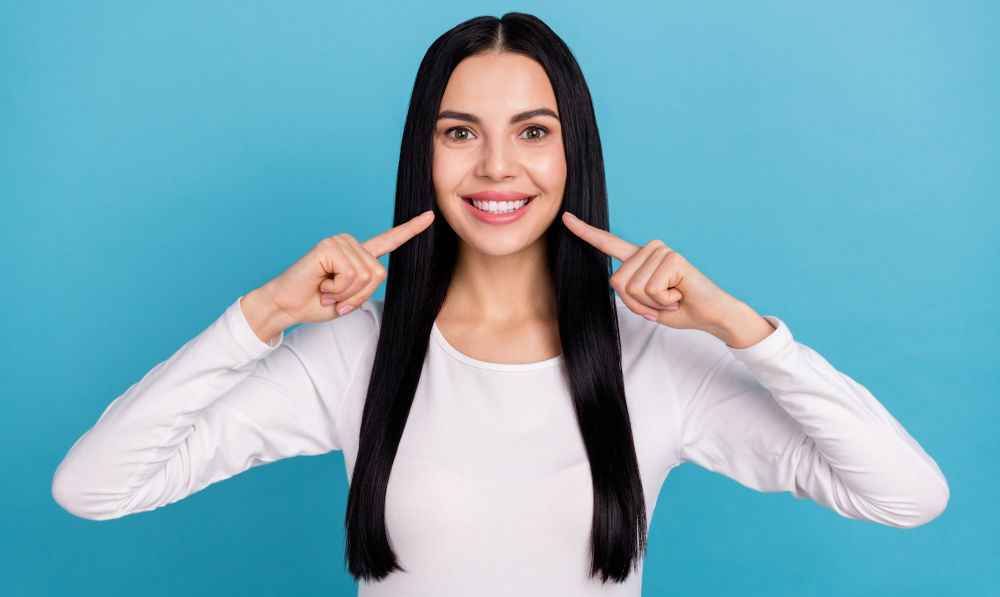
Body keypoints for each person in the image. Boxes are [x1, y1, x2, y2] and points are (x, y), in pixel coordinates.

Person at [51, 12, 949, 596]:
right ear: (426, 155)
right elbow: (93, 488)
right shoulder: (354, 357)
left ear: (572, 154)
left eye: (532, 132)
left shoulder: (657, 364)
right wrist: (261, 316)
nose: (495, 168)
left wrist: (740, 329)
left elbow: (908, 496)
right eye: (459, 133)